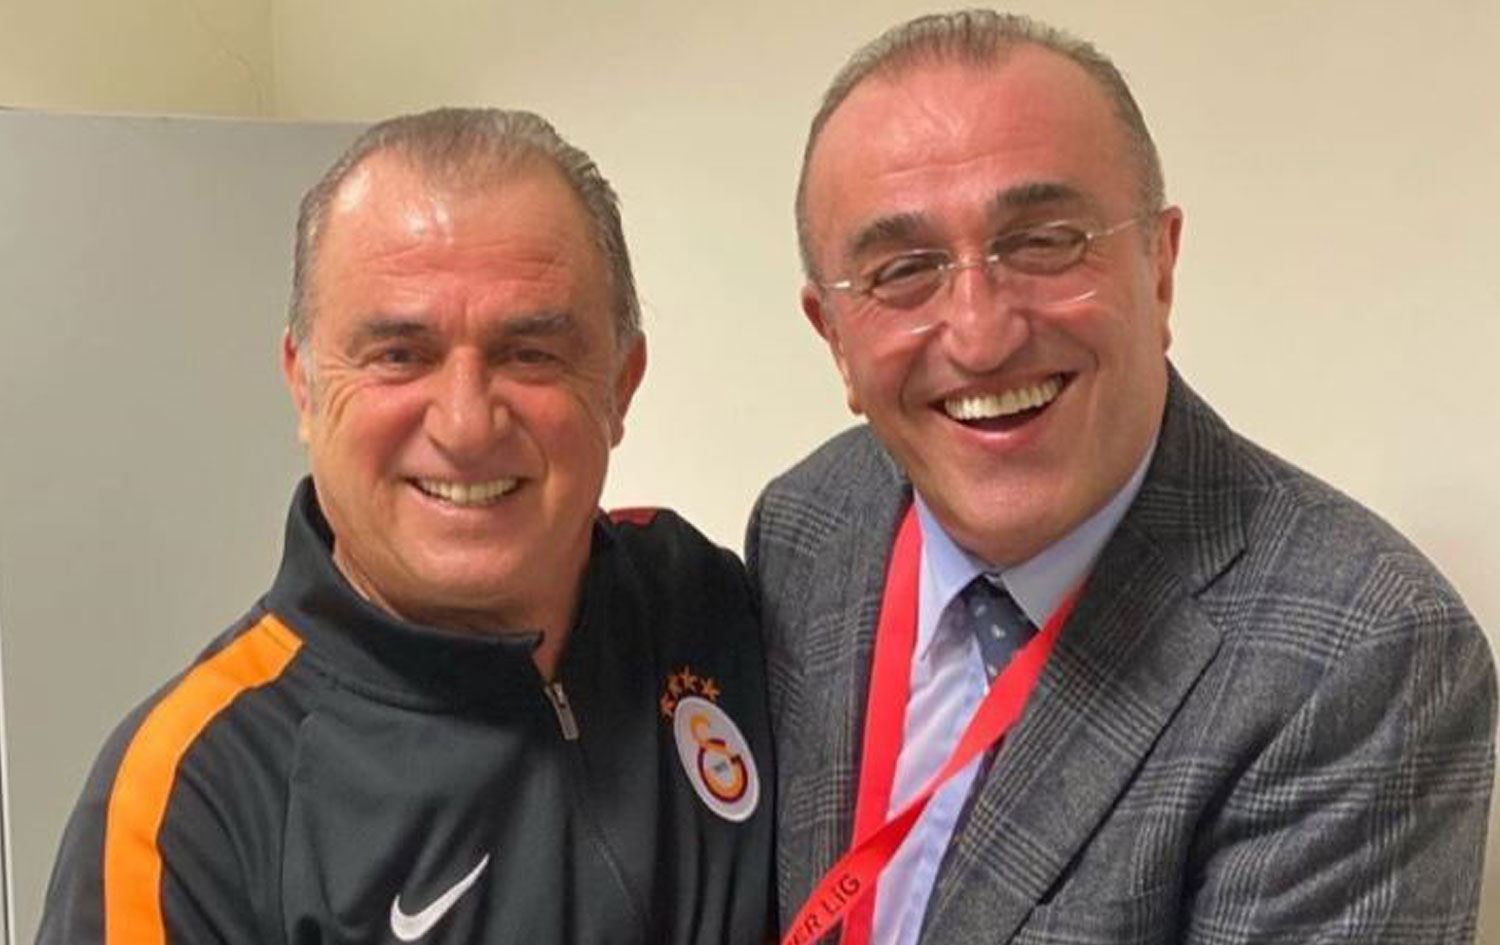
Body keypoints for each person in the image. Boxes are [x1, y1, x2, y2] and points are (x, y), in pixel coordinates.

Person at [747, 10, 1495, 944]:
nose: (980, 334)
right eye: (902, 270)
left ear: (1160, 266)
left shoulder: (1363, 658)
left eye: (1044, 241)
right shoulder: (807, 524)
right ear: (834, 339)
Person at [40, 108, 771, 944]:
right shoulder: (191, 805)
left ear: (621, 384)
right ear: (305, 385)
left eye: (530, 353)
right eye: (399, 355)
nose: (466, 424)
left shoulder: (705, 601)